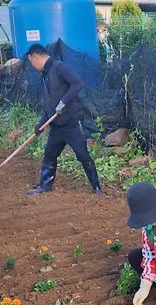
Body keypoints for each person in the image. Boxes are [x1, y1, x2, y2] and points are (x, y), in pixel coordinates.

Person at [24, 44, 101, 196]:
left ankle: (96, 187)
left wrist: (64, 102)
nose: (32, 66)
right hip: (56, 126)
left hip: (72, 122)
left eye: (31, 62)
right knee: (49, 154)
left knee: (82, 154)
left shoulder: (59, 67)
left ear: (36, 57)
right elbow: (49, 105)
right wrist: (40, 124)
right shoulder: (45, 75)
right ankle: (44, 186)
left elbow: (78, 83)